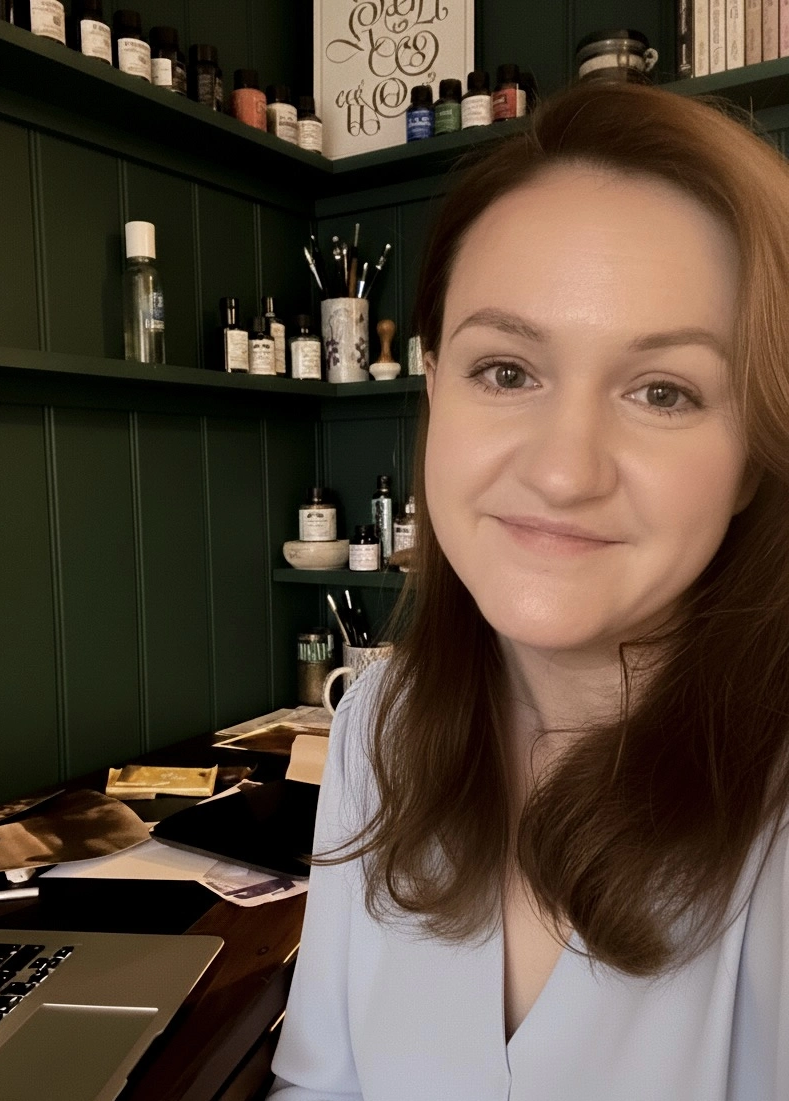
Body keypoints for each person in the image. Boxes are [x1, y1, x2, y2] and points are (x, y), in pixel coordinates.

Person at [268, 79, 789, 1099]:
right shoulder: (377, 725)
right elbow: (318, 1084)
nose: (563, 470)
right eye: (507, 371)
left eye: (664, 391)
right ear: (433, 386)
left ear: (756, 462)